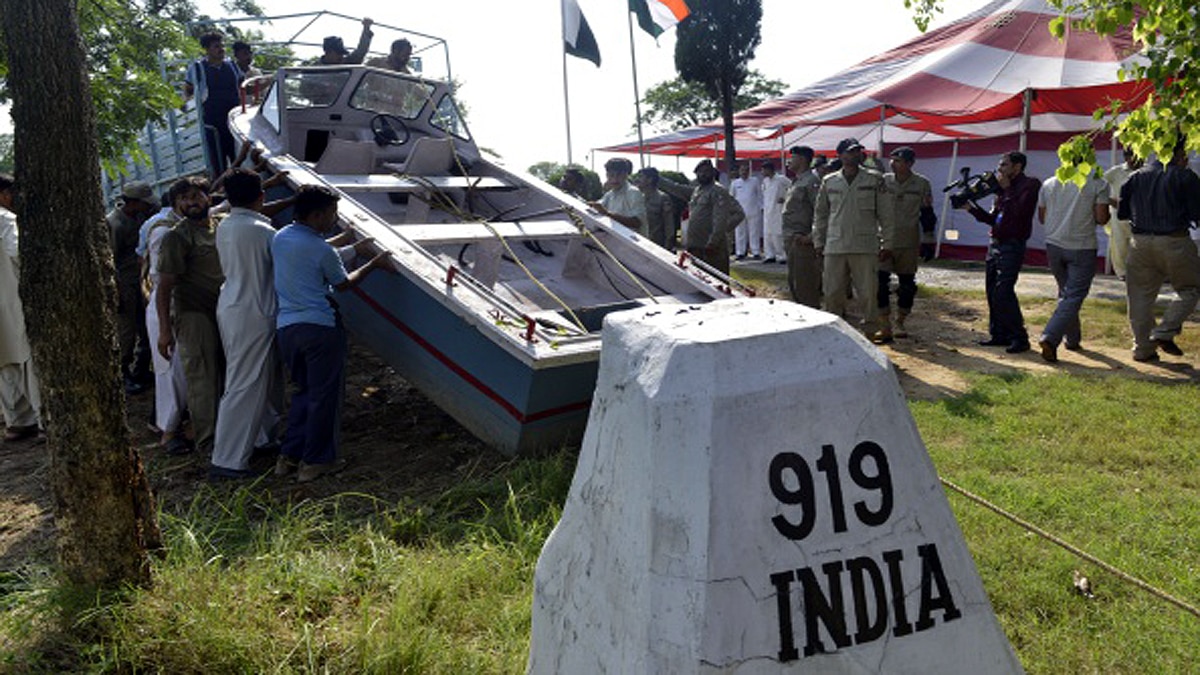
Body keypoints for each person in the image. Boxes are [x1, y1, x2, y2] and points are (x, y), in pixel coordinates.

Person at [272, 185, 391, 482]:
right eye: (331, 214)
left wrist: (350, 241)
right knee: (325, 397)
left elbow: (316, 255)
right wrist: (373, 263)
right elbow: (342, 283)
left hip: (288, 329)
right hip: (320, 329)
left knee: (303, 392)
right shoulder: (321, 249)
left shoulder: (281, 237)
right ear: (316, 214)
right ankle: (315, 462)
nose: (333, 219)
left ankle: (288, 457)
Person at [209, 169, 284, 480]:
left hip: (232, 306)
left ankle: (262, 437)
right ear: (261, 197)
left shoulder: (225, 225)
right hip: (254, 311)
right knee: (245, 383)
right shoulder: (262, 232)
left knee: (256, 379)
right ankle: (227, 460)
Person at [156, 176, 224, 457]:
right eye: (182, 199)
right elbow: (164, 287)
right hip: (194, 313)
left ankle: (229, 435)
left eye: (195, 195)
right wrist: (164, 330)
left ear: (208, 197)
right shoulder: (176, 236)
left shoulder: (221, 225)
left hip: (225, 310)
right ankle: (208, 443)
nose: (190, 202)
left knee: (228, 373)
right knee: (203, 378)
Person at [1118, 139, 1200, 362]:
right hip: (1175, 240)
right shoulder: (1185, 176)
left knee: (1139, 297)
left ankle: (1143, 349)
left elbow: (1122, 214)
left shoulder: (1134, 176)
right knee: (1190, 289)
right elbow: (1196, 213)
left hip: (1140, 242)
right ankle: (1165, 331)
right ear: (1179, 153)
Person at [814, 138, 895, 341]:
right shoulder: (829, 180)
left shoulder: (875, 179)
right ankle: (834, 333)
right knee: (832, 292)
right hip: (835, 244)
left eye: (857, 151)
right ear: (840, 155)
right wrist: (818, 241)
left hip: (864, 245)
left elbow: (886, 214)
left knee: (868, 293)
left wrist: (888, 243)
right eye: (849, 152)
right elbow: (821, 214)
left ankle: (869, 333)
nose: (854, 155)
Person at [960, 151, 1039, 354]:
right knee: (992, 291)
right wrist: (971, 208)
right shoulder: (1001, 190)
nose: (1000, 169)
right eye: (999, 165)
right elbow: (994, 219)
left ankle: (1019, 338)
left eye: (1004, 165)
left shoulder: (1029, 185)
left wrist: (1007, 189)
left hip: (1013, 244)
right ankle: (999, 334)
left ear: (1017, 166)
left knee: (1003, 291)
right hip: (994, 244)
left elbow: (1021, 213)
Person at [1034, 171, 1111, 362]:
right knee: (1073, 295)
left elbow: (1042, 217)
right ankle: (1050, 337)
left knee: (1066, 294)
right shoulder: (1099, 183)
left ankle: (1073, 339)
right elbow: (1102, 218)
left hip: (1053, 245)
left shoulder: (1049, 183)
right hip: (1082, 246)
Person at [143, 194, 190, 454]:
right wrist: (164, 329)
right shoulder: (165, 232)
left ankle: (175, 426)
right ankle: (169, 431)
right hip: (166, 311)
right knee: (172, 373)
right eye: (189, 197)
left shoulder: (179, 226)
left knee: (181, 372)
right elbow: (163, 285)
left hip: (175, 309)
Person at [0, 175, 42, 443]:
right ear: (4, 194)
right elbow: (18, 253)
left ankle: (17, 420)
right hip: (12, 298)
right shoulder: (5, 219)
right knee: (28, 357)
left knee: (5, 363)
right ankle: (43, 419)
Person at [877, 147, 934, 341]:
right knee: (879, 282)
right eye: (892, 160)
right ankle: (884, 321)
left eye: (898, 160)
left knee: (907, 285)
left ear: (910, 163)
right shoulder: (882, 181)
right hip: (883, 241)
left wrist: (928, 239)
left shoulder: (922, 183)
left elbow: (927, 214)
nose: (893, 163)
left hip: (908, 241)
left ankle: (900, 320)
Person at [107, 181, 157, 393]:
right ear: (133, 203)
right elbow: (110, 260)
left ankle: (141, 370)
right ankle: (123, 373)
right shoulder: (114, 223)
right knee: (126, 331)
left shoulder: (139, 217)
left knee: (146, 328)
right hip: (124, 282)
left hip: (140, 279)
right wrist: (116, 290)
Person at [659, 159, 745, 275]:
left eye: (706, 172)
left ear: (713, 173)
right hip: (696, 245)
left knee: (717, 280)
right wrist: (658, 179)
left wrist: (719, 235)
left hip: (711, 247)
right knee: (699, 280)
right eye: (699, 172)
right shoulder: (697, 191)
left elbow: (729, 216)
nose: (703, 175)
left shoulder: (718, 191)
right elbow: (677, 188)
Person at [185, 33, 245, 179]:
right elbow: (188, 90)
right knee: (218, 162)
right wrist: (187, 109)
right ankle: (221, 190)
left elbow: (243, 87)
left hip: (233, 120)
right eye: (217, 46)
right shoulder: (198, 68)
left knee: (239, 159)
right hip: (212, 121)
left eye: (222, 45)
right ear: (207, 50)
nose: (221, 49)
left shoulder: (232, 66)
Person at [782, 146, 822, 308]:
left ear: (803, 160)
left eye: (793, 157)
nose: (789, 161)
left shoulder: (811, 182)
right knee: (795, 283)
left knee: (806, 286)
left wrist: (811, 237)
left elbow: (821, 212)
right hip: (791, 239)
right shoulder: (797, 181)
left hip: (803, 241)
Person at [1103, 147, 1143, 279]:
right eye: (1132, 157)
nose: (1136, 160)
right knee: (1119, 245)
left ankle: (1137, 273)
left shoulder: (1145, 171)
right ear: (1126, 158)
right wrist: (1109, 200)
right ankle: (1122, 273)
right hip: (1118, 214)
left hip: (1140, 215)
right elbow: (1099, 184)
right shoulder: (1116, 171)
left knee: (1139, 245)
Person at [589, 158, 646, 235]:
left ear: (626, 175)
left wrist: (607, 214)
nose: (615, 179)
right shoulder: (609, 195)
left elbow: (637, 222)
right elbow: (596, 208)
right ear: (607, 175)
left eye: (619, 175)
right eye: (611, 175)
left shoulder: (634, 193)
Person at [636, 167, 675, 250]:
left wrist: (668, 246)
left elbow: (669, 225)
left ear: (650, 180)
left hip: (656, 245)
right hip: (641, 242)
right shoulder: (638, 197)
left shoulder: (662, 198)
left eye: (641, 177)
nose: (637, 179)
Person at [730, 162, 763, 260]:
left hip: (753, 210)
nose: (744, 172)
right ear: (739, 172)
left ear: (749, 171)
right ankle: (740, 252)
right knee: (740, 232)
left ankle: (755, 251)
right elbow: (731, 197)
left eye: (746, 170)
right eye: (742, 170)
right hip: (739, 212)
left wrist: (761, 207)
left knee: (754, 232)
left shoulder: (755, 181)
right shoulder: (735, 183)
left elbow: (760, 195)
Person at [760, 161, 790, 264]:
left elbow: (792, 189)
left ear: (769, 169)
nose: (762, 172)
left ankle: (782, 255)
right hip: (767, 210)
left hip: (778, 209)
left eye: (763, 170)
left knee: (778, 233)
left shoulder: (782, 179)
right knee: (767, 233)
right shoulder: (765, 181)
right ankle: (770, 255)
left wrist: (785, 198)